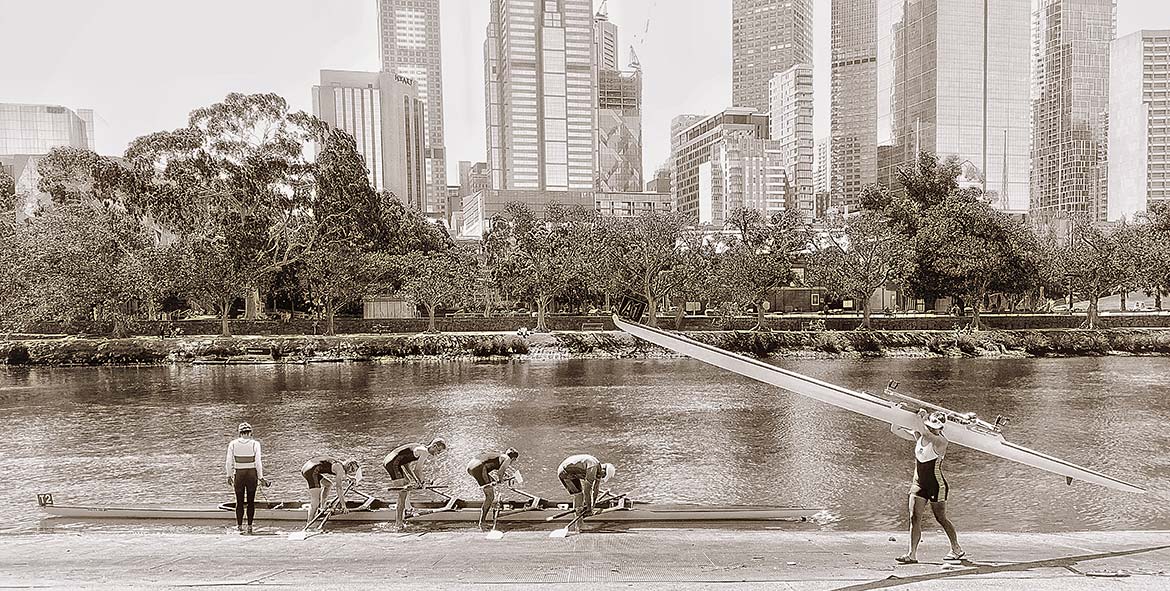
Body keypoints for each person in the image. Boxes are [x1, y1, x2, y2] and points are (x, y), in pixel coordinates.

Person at [891, 410, 964, 564]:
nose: (932, 429)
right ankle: (912, 554)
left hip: (936, 485)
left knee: (940, 518)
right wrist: (896, 413)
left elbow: (925, 433)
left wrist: (920, 417)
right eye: (930, 426)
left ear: (941, 428)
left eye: (935, 427)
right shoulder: (920, 436)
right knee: (914, 518)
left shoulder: (941, 441)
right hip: (918, 484)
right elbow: (895, 429)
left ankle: (956, 548)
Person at [384, 438, 449, 527]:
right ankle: (398, 523)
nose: (438, 454)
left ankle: (407, 509)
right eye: (439, 451)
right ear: (434, 446)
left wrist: (417, 481)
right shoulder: (425, 452)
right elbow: (418, 470)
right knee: (403, 492)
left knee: (407, 482)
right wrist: (422, 482)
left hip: (392, 461)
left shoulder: (420, 447)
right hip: (392, 463)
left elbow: (406, 465)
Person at [225, 422, 269, 534]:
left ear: (239, 433)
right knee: (251, 502)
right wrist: (261, 477)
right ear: (250, 432)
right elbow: (258, 462)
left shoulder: (233, 444)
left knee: (239, 502)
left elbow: (229, 462)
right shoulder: (255, 444)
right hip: (251, 474)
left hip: (239, 474)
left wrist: (229, 475)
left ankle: (239, 526)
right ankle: (250, 526)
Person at [557, 454, 615, 530]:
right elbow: (587, 491)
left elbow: (595, 489)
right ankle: (579, 525)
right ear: (603, 471)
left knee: (581, 495)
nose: (602, 477)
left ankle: (579, 515)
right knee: (579, 495)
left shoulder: (599, 469)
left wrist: (592, 505)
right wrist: (589, 508)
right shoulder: (593, 468)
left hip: (572, 473)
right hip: (564, 472)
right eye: (603, 476)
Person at [466, 448, 520, 530]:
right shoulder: (508, 459)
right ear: (513, 458)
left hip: (470, 467)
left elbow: (496, 467)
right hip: (479, 468)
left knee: (491, 483)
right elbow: (500, 472)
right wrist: (501, 480)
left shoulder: (500, 455)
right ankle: (482, 522)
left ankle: (483, 519)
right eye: (514, 460)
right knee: (490, 496)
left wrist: (501, 477)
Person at [300, 457, 361, 524]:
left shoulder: (340, 464)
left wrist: (349, 478)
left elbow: (342, 473)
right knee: (315, 501)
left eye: (353, 471)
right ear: (348, 464)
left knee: (328, 484)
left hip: (307, 467)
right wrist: (343, 505)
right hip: (311, 472)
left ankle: (322, 508)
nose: (351, 472)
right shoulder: (340, 469)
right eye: (352, 469)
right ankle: (309, 523)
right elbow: (339, 488)